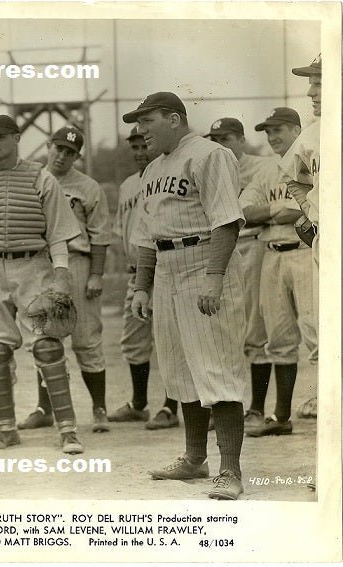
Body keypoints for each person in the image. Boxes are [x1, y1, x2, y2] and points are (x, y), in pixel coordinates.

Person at [125, 92, 248, 500]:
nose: (140, 130)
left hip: (203, 261)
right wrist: (142, 285)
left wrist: (214, 278)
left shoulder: (209, 155)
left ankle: (230, 469)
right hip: (167, 267)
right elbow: (146, 236)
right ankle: (195, 458)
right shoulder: (152, 169)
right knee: (180, 369)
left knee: (216, 367)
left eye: (147, 121)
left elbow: (226, 223)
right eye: (137, 122)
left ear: (175, 119)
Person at [0, 114, 85, 454]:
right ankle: (6, 429)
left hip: (32, 265)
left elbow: (57, 234)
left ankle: (67, 429)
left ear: (16, 137)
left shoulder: (41, 178)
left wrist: (62, 273)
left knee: (47, 344)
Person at [17, 126, 112, 433]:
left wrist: (96, 274)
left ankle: (99, 408)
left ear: (77, 156)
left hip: (77, 262)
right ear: (49, 146)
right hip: (41, 263)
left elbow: (100, 236)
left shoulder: (87, 186)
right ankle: (45, 408)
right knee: (43, 338)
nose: (62, 155)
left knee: (86, 339)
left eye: (70, 152)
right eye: (58, 148)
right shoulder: (31, 180)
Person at [238, 107, 317, 437]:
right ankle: (281, 416)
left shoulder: (312, 161)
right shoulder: (266, 169)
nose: (272, 137)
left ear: (297, 129)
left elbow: (316, 206)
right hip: (271, 255)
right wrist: (277, 210)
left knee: (319, 334)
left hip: (305, 252)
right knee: (280, 338)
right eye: (268, 132)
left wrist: (288, 211)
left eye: (279, 130)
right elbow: (243, 210)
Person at [109, 127, 179, 430]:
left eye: (143, 146)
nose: (139, 152)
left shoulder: (168, 177)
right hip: (138, 273)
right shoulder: (127, 186)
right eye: (134, 147)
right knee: (133, 339)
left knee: (170, 340)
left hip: (166, 268)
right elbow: (122, 230)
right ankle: (139, 404)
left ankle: (170, 406)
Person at [206, 117, 273, 431]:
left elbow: (260, 212)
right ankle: (220, 408)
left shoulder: (261, 167)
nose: (221, 145)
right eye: (216, 139)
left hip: (252, 246)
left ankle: (256, 409)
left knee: (254, 327)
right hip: (219, 251)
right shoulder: (210, 167)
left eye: (227, 138)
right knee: (219, 332)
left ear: (242, 139)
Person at [279, 54, 322, 429]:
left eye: (321, 81)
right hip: (326, 243)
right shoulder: (310, 134)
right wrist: (310, 209)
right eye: (311, 81)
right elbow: (294, 177)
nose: (311, 91)